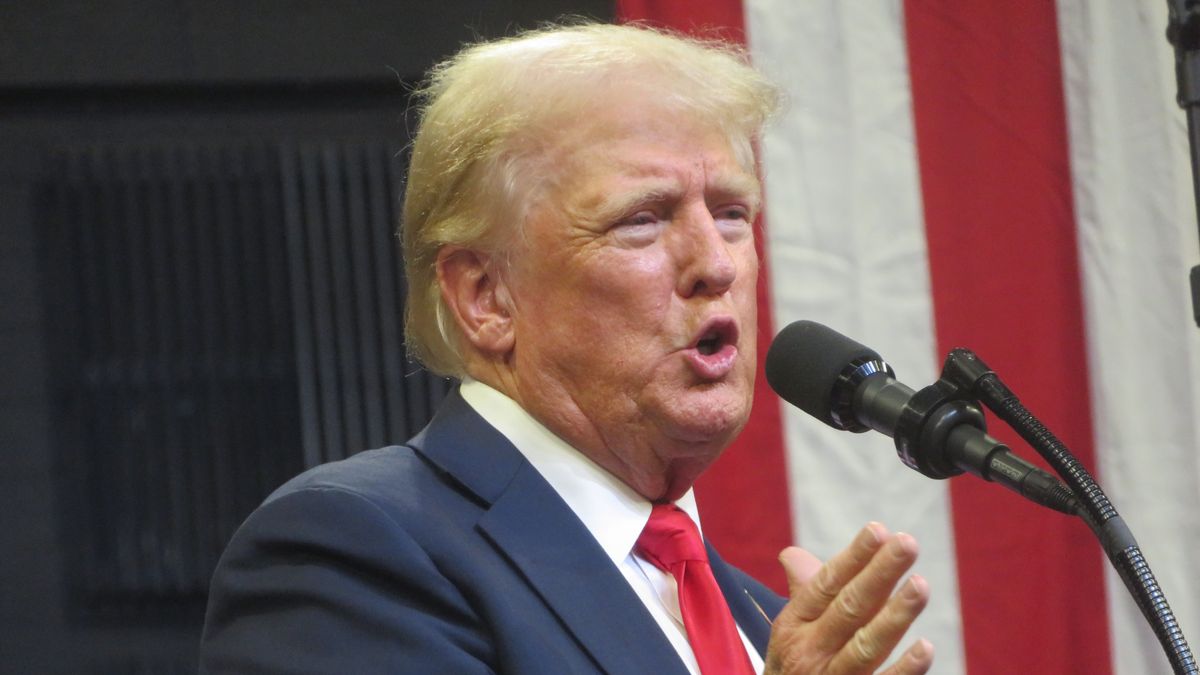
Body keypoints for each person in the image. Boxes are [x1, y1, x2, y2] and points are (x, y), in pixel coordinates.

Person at [200, 22, 933, 674]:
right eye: (642, 219)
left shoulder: (764, 625)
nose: (717, 263)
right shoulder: (353, 553)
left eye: (732, 213)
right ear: (487, 296)